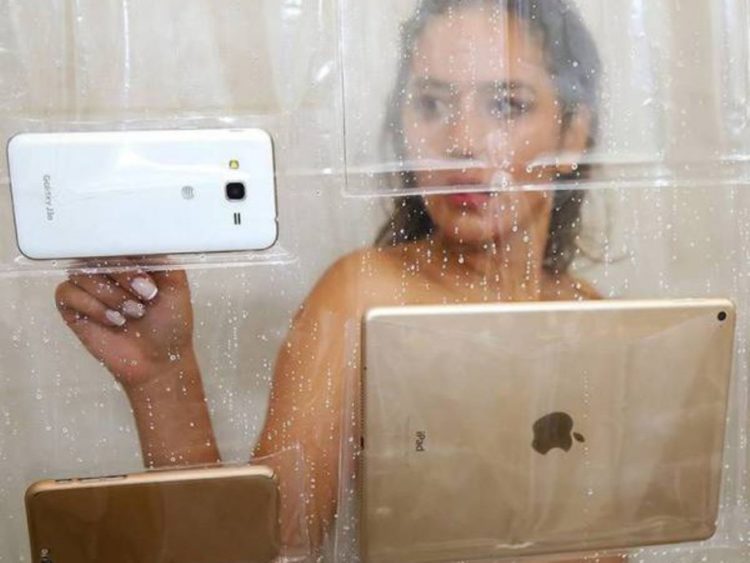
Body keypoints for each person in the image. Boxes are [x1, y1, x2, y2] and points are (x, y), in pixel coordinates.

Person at [55, 0, 621, 560]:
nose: (461, 140)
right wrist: (163, 376)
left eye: (505, 104)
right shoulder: (367, 297)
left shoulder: (595, 315)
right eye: (431, 103)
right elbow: (266, 554)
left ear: (572, 135)